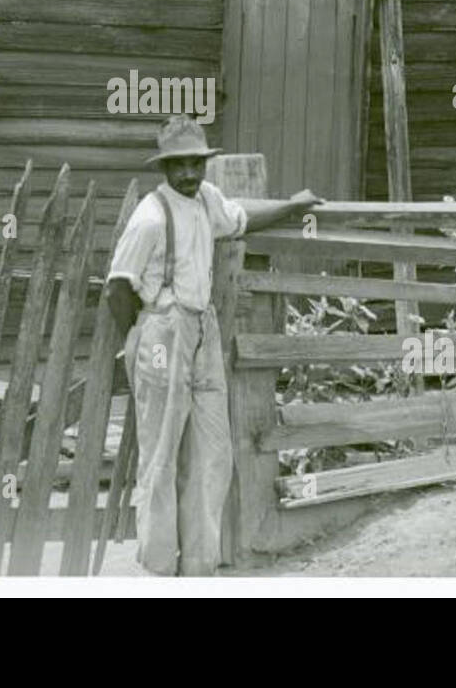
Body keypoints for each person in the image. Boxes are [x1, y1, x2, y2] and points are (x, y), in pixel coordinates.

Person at [105, 115, 321, 576]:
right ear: (164, 168)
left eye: (195, 164)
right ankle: (160, 565)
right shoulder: (149, 217)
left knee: (211, 450)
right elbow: (117, 289)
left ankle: (199, 566)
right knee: (161, 451)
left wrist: (292, 205)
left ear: (205, 164)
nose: (188, 174)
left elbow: (242, 218)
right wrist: (138, 340)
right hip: (163, 329)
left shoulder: (207, 200)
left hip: (203, 329)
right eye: (178, 165)